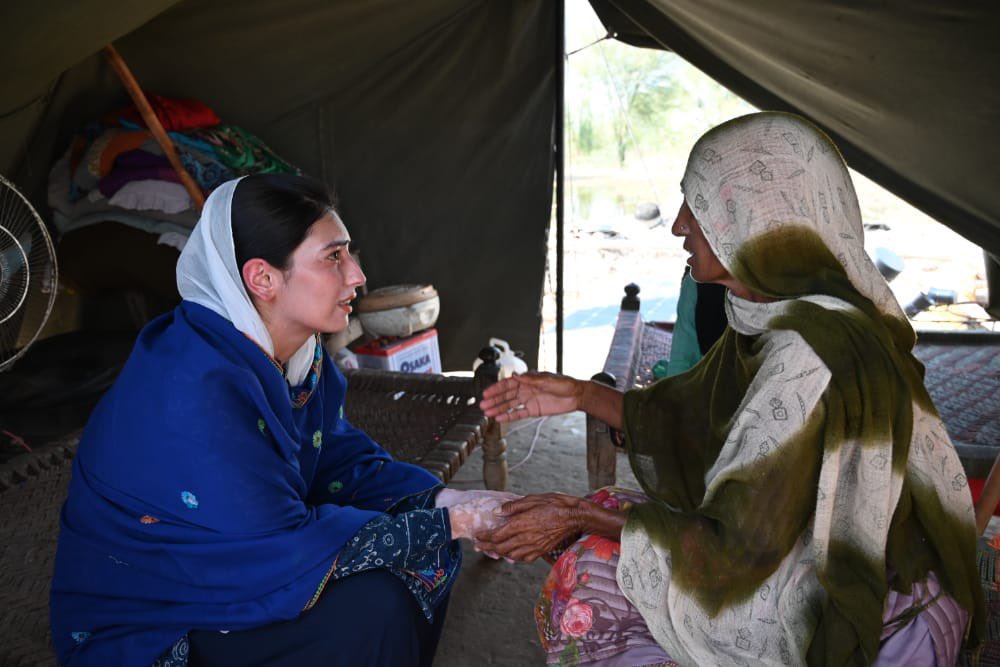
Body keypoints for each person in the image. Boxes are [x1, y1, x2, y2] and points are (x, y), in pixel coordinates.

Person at [478, 112, 984, 666]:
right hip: (794, 548)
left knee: (589, 577)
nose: (677, 225)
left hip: (875, 612)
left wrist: (577, 516)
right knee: (599, 534)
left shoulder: (813, 351)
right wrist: (578, 395)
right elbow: (696, 419)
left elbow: (744, 546)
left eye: (698, 205)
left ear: (758, 217)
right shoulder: (768, 313)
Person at [49, 173, 515, 666]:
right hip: (157, 606)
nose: (356, 274)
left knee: (427, 543)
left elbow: (335, 455)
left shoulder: (299, 357)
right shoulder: (195, 391)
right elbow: (271, 546)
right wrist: (455, 521)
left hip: (248, 549)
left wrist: (450, 499)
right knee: (376, 606)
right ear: (262, 278)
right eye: (334, 257)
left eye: (349, 253)